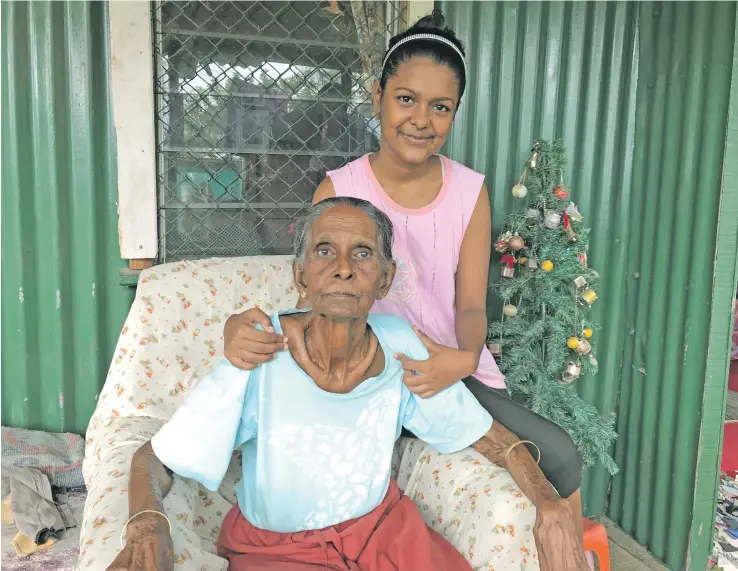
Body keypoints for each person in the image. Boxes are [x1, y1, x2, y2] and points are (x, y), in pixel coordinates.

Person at [222, 8, 586, 546]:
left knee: (558, 457)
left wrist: (461, 360)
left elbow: (468, 304)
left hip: (443, 371)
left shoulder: (469, 191)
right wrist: (239, 327)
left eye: (440, 107)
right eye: (406, 99)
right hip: (368, 371)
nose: (421, 119)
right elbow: (317, 294)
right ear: (377, 97)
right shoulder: (339, 188)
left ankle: (566, 550)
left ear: (455, 113)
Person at [109, 198, 587, 571]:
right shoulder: (259, 352)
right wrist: (146, 526)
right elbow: (154, 455)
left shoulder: (401, 348)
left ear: (385, 280)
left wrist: (551, 505)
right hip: (277, 551)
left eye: (363, 254)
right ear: (301, 276)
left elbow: (490, 437)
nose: (343, 268)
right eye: (324, 252)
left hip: (383, 532)